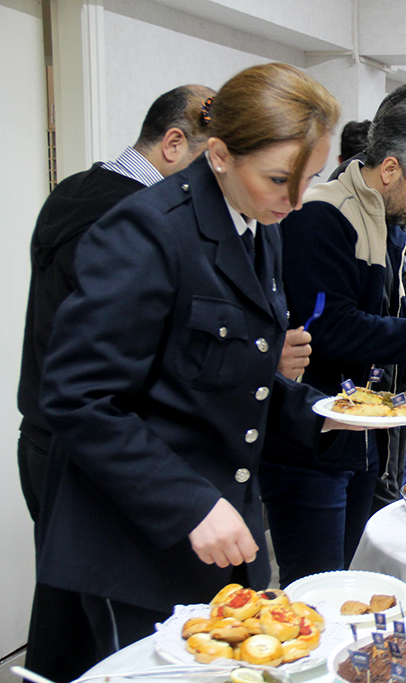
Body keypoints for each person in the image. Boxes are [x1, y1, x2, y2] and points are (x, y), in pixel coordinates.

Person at [36, 63, 348, 663]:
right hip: (135, 542)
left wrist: (323, 414)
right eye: (281, 178)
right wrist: (189, 502)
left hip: (222, 528)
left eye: (309, 178)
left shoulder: (262, 223)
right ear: (222, 154)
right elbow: (79, 398)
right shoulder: (145, 231)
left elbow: (229, 373)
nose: (297, 199)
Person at [17, 83, 213, 683]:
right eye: (212, 166)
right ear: (175, 144)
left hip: (54, 436)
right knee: (116, 641)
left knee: (69, 620)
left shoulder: (77, 190)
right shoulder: (128, 218)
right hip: (87, 444)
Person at [262, 101, 406, 586]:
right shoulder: (322, 217)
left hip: (363, 442)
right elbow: (333, 330)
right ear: (390, 169)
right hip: (311, 446)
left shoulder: (382, 223)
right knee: (316, 590)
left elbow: (378, 347)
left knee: (353, 581)